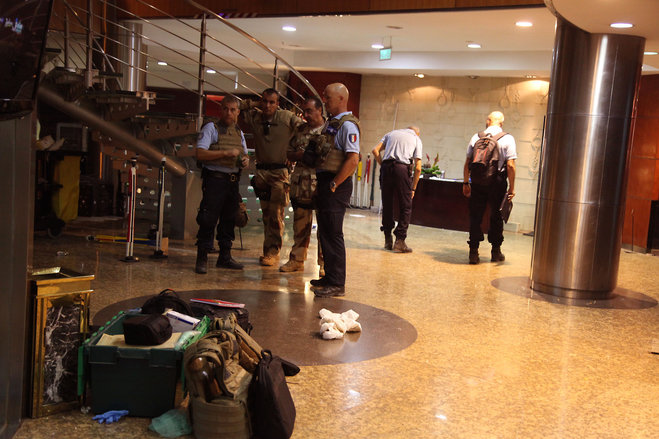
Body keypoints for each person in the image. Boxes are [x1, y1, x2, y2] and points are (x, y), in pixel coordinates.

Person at [308, 83, 360, 298]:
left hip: (335, 184)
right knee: (325, 232)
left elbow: (353, 159)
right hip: (326, 182)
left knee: (333, 233)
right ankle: (329, 277)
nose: (324, 100)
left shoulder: (348, 126)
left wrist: (334, 184)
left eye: (327, 97)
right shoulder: (334, 123)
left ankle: (337, 283)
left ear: (340, 99)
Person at [243, 88, 303, 266]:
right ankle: (268, 251)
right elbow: (238, 105)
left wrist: (292, 152)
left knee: (276, 214)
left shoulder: (285, 117)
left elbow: (305, 129)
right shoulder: (255, 118)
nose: (268, 105)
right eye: (265, 101)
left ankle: (273, 252)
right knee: (267, 214)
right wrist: (255, 103)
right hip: (262, 174)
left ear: (278, 104)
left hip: (279, 173)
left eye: (272, 102)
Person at [194, 96, 250, 274]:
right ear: (220, 110)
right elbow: (200, 154)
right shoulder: (212, 128)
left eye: (233, 110)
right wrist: (225, 153)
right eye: (225, 109)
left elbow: (244, 154)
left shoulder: (238, 131)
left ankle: (224, 257)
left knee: (229, 219)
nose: (229, 113)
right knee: (208, 219)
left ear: (238, 112)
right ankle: (202, 257)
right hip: (215, 180)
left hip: (232, 181)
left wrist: (245, 161)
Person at [462, 111, 516, 264]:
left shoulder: (476, 137)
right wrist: (512, 188)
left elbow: (467, 163)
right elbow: (511, 165)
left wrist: (466, 183)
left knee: (475, 216)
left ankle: (473, 253)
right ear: (501, 123)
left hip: (478, 182)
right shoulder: (508, 138)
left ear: (488, 121)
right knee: (496, 216)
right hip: (497, 182)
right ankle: (495, 252)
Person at [279, 97, 325, 274]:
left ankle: (324, 264)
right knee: (300, 224)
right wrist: (301, 155)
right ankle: (297, 260)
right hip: (301, 183)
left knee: (324, 226)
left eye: (309, 111)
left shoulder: (329, 130)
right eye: (304, 111)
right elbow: (288, 153)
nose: (305, 115)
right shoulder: (300, 130)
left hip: (321, 183)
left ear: (320, 110)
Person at [372, 126, 422, 253]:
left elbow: (375, 150)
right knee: (405, 206)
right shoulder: (416, 139)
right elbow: (418, 168)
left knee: (387, 204)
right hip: (402, 168)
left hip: (386, 168)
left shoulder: (391, 133)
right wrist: (414, 188)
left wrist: (383, 164)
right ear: (417, 133)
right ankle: (400, 241)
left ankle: (388, 239)